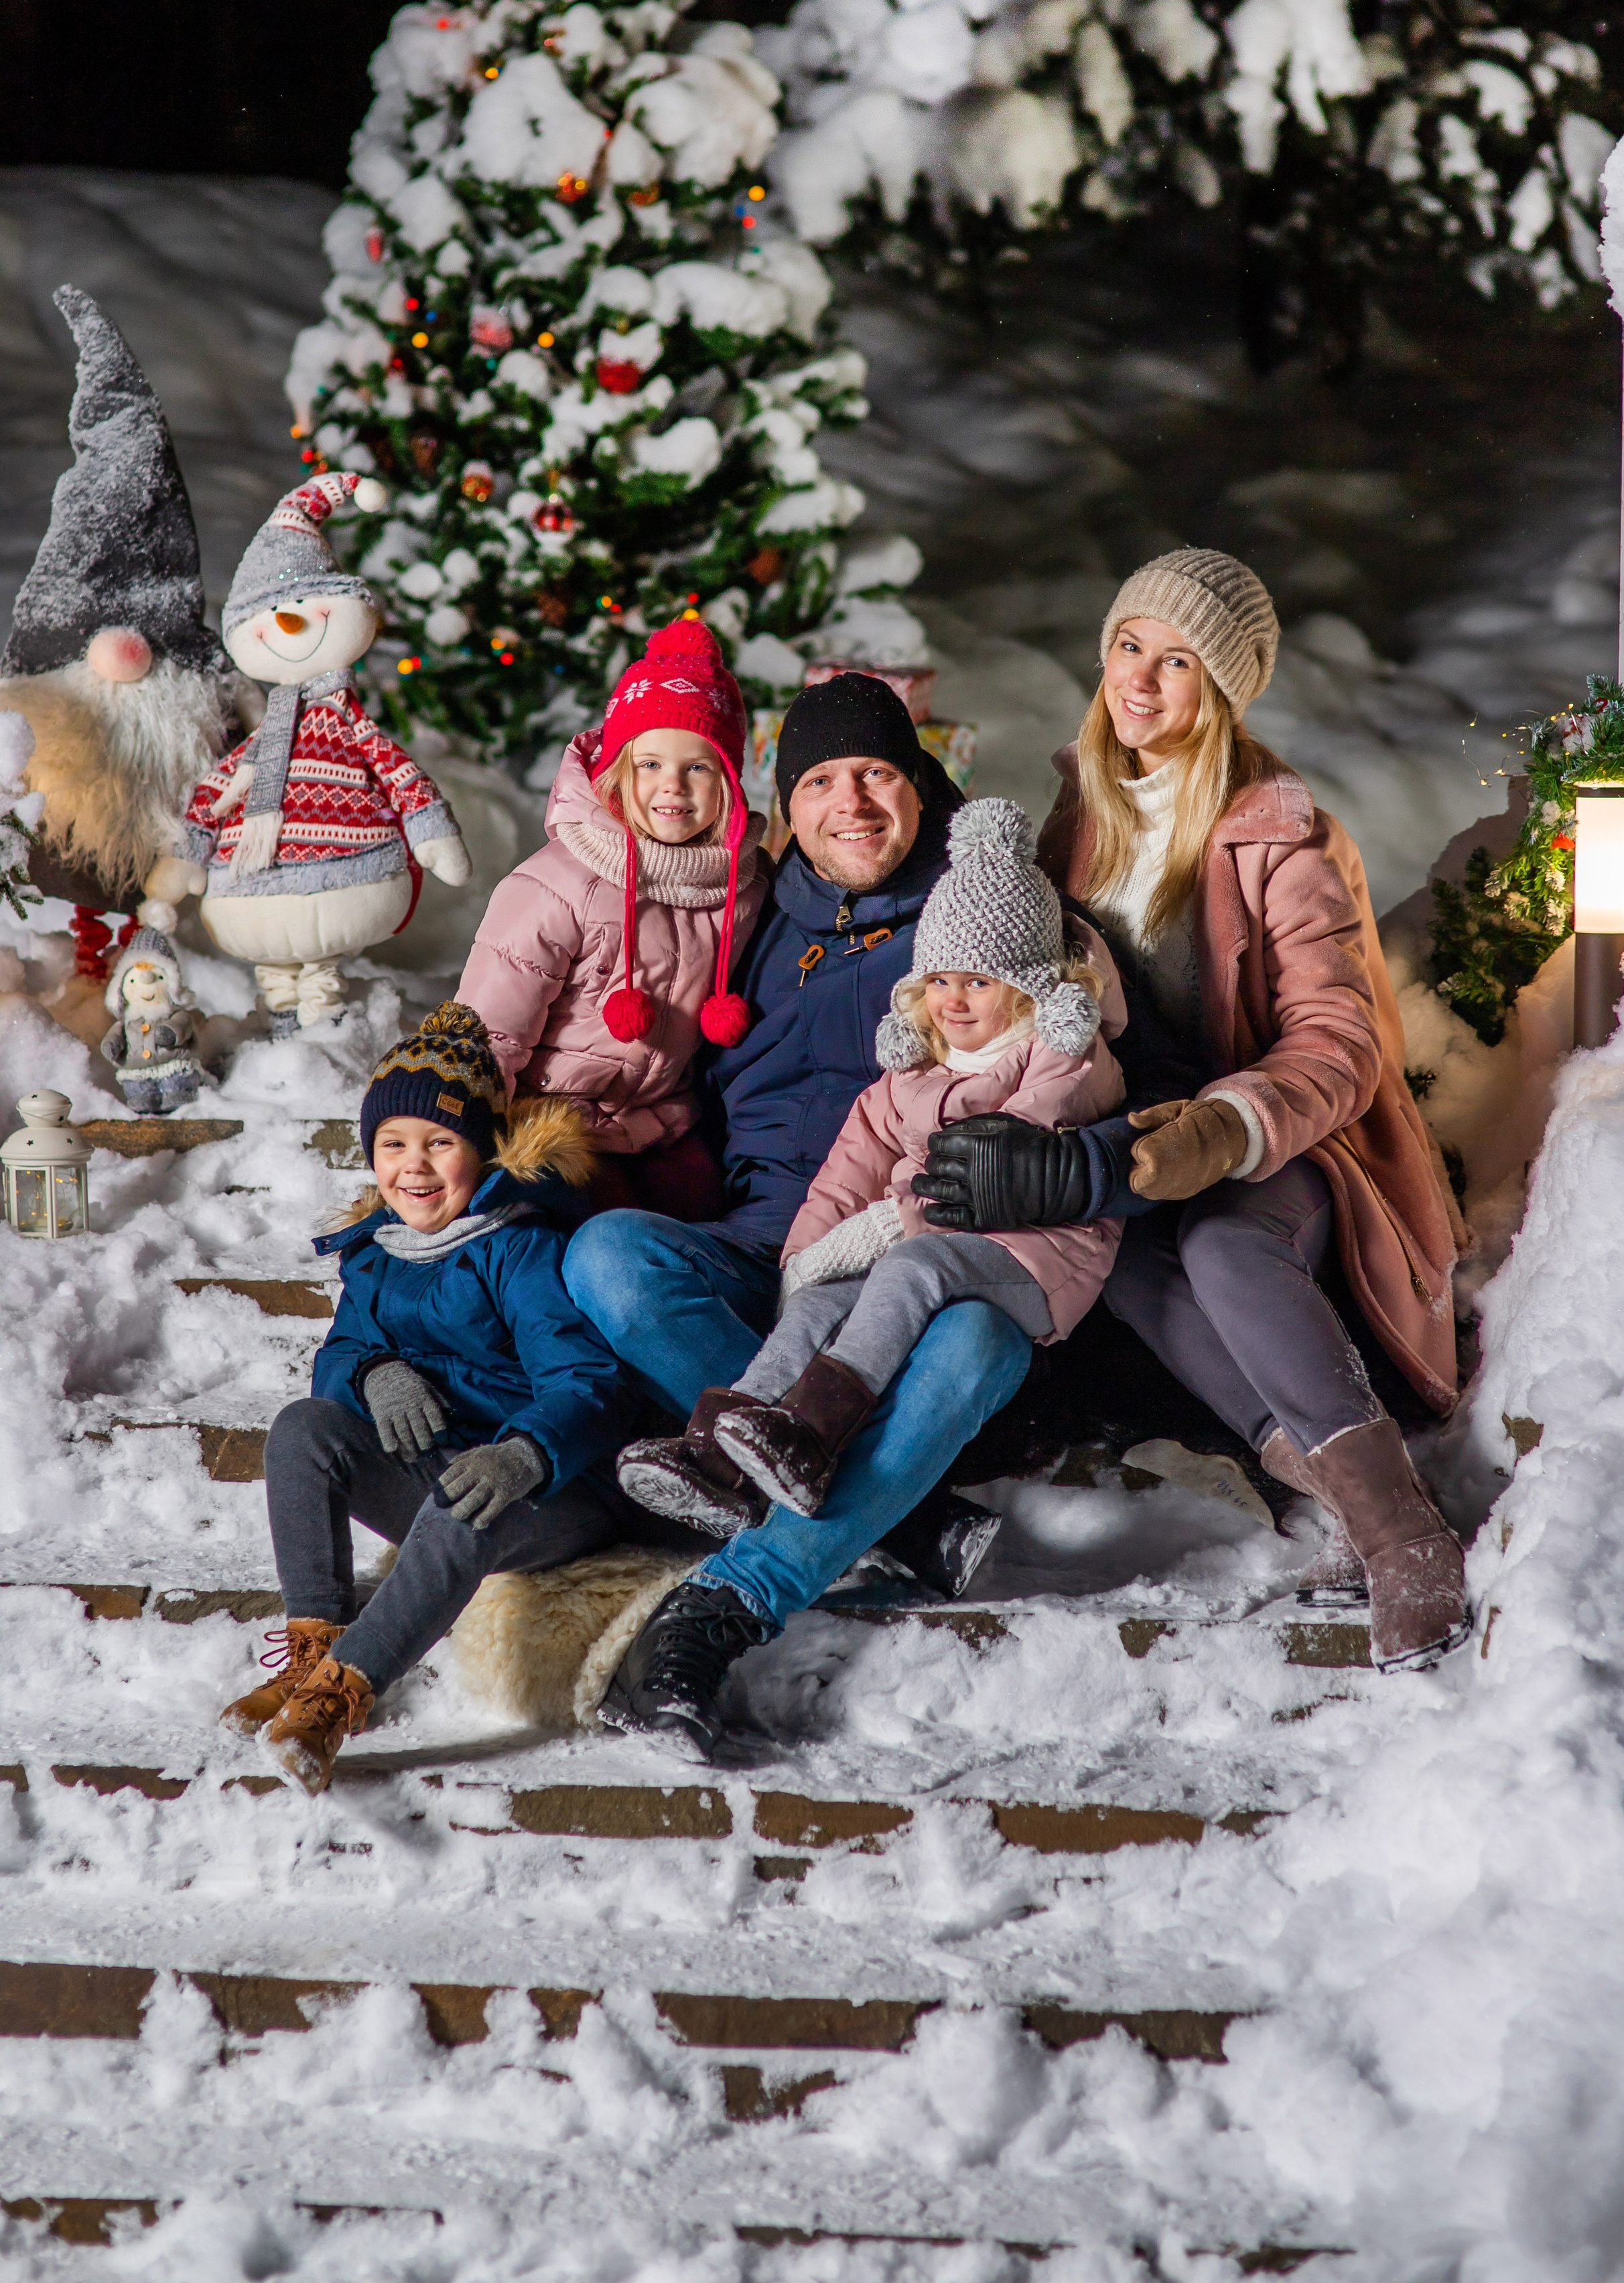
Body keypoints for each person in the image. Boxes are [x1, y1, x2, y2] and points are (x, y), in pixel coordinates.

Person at [571, 675, 1192, 1760]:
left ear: (921, 785)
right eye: (818, 781)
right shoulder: (751, 918)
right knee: (609, 1257)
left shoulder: (1011, 926)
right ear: (783, 805)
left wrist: (1053, 1172)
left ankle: (716, 1614)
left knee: (969, 1336)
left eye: (876, 774)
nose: (850, 804)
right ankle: (899, 1511)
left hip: (963, 1257)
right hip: (790, 1248)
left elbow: (1156, 1118)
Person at [917, 548, 1469, 1673]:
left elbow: (1341, 1043)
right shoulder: (1077, 816)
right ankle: (1311, 1471)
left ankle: (1404, 1531)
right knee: (1109, 1252)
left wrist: (1229, 1124)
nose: (1142, 682)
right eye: (1131, 647)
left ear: (1221, 692)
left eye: (1179, 664)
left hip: (1281, 1142)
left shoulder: (1283, 834)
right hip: (1123, 1138)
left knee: (1222, 1243)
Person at [617, 798, 1124, 1529]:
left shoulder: (1062, 1056)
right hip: (926, 1244)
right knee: (823, 1302)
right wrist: (805, 1259)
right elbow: (850, 1166)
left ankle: (811, 1438)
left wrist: (895, 1220)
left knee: (909, 1269)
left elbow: (985, 1176)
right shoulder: (914, 1066)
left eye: (978, 982)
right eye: (941, 980)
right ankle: (719, 1453)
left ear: (1027, 987)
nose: (953, 1000)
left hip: (1035, 1256)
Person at [222, 1000, 645, 1792]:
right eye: (393, 1145)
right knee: (302, 1428)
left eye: (438, 1144)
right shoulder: (376, 1254)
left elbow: (589, 1382)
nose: (413, 1167)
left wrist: (523, 1455)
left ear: (480, 1154)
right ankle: (312, 1651)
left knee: (464, 1506)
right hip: (437, 1466)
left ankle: (341, 1699)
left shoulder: (520, 1246)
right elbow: (340, 1355)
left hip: (546, 1486)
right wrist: (375, 1373)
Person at [456, 618, 768, 1219]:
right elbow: (491, 1034)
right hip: (549, 1121)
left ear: (729, 780)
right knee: (595, 1233)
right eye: (649, 765)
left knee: (707, 1222)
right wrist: (467, 1138)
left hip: (662, 1123)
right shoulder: (558, 885)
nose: (671, 786)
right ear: (618, 772)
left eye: (698, 767)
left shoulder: (744, 884)